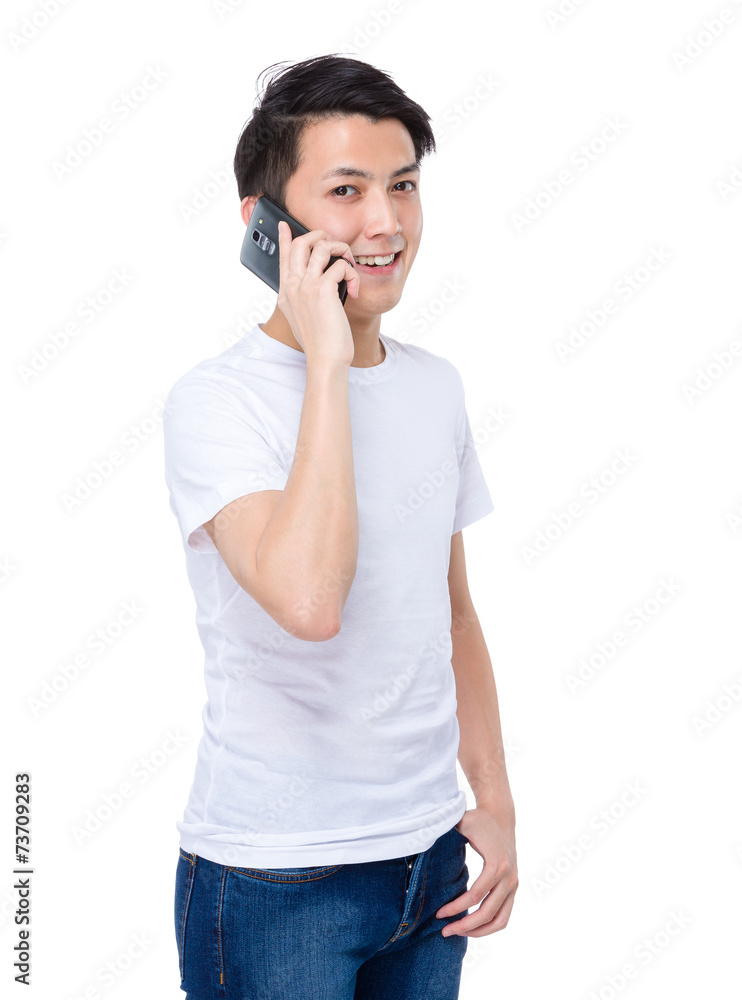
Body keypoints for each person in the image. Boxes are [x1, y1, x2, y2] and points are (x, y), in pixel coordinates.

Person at [164, 53, 517, 1000]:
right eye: (347, 191)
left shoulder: (435, 385)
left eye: (403, 185)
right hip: (275, 879)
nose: (386, 223)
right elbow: (310, 602)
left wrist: (494, 800)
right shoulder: (215, 404)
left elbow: (452, 613)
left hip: (429, 866)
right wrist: (327, 362)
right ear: (265, 225)